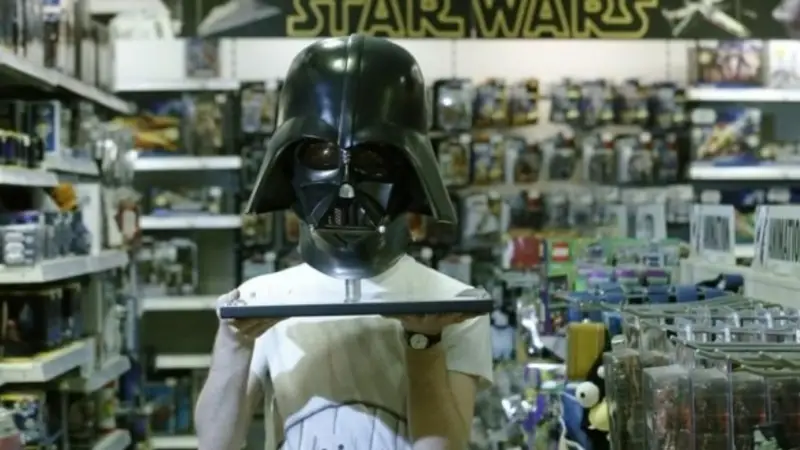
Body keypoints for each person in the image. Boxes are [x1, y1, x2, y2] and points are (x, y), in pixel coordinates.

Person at [194, 34, 493, 450]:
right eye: (322, 156)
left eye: (372, 159)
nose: (346, 185)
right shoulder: (261, 302)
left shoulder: (451, 305)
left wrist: (424, 344)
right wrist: (233, 346)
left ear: (409, 168)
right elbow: (216, 443)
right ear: (289, 163)